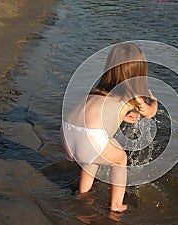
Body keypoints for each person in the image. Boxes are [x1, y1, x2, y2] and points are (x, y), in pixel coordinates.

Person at [61, 42, 158, 212]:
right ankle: (117, 205)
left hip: (67, 132)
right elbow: (149, 113)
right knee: (120, 159)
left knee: (102, 148)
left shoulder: (98, 90)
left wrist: (123, 116)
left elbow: (99, 114)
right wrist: (154, 102)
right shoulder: (131, 94)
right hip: (89, 137)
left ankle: (82, 192)